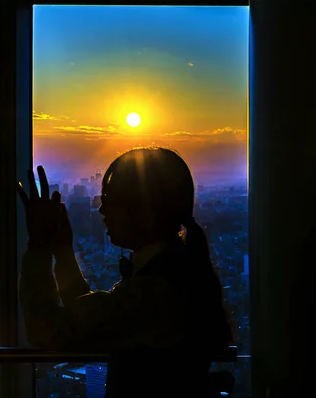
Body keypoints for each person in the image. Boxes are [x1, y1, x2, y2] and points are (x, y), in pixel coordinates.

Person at [17, 147, 234, 397]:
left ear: (146, 213)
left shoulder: (151, 293)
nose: (101, 210)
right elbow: (95, 319)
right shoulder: (176, 274)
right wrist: (64, 253)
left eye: (109, 201)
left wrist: (39, 247)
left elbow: (47, 330)